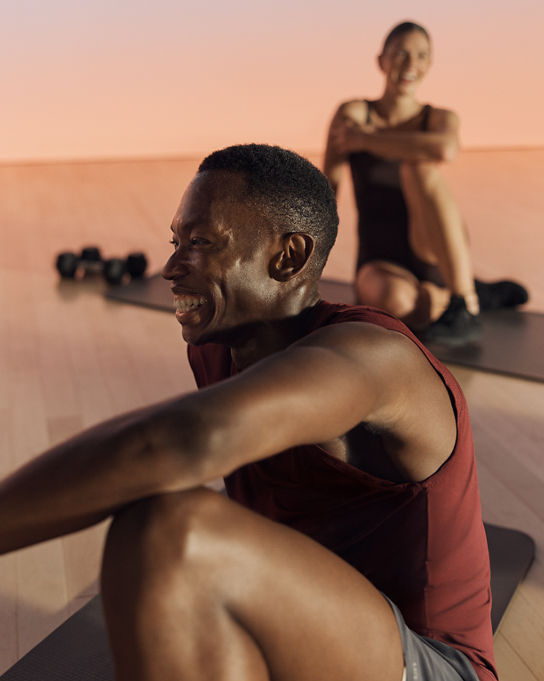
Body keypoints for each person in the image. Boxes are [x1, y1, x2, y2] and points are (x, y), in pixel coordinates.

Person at [0, 144, 497, 681]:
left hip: (431, 665)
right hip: (295, 631)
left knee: (173, 530)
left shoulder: (372, 358)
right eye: (175, 243)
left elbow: (176, 442)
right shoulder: (217, 347)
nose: (170, 268)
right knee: (169, 509)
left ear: (288, 257)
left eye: (200, 243)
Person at [324, 20, 527, 344]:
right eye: (401, 54)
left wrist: (364, 140)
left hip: (431, 246)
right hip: (380, 257)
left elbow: (444, 148)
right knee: (395, 302)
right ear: (382, 61)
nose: (411, 64)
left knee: (418, 169)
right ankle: (471, 291)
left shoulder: (438, 118)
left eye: (421, 56)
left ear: (430, 64)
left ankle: (465, 303)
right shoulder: (355, 113)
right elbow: (326, 192)